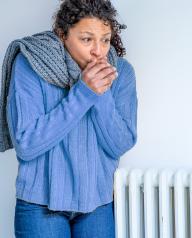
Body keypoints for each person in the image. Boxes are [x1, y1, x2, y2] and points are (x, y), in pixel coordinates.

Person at [0, 0, 137, 237]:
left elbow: (120, 144)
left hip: (97, 205)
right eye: (87, 39)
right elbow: (26, 144)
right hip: (39, 207)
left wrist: (100, 93)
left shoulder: (121, 72)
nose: (98, 50)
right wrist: (83, 93)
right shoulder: (31, 64)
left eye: (105, 39)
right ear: (63, 35)